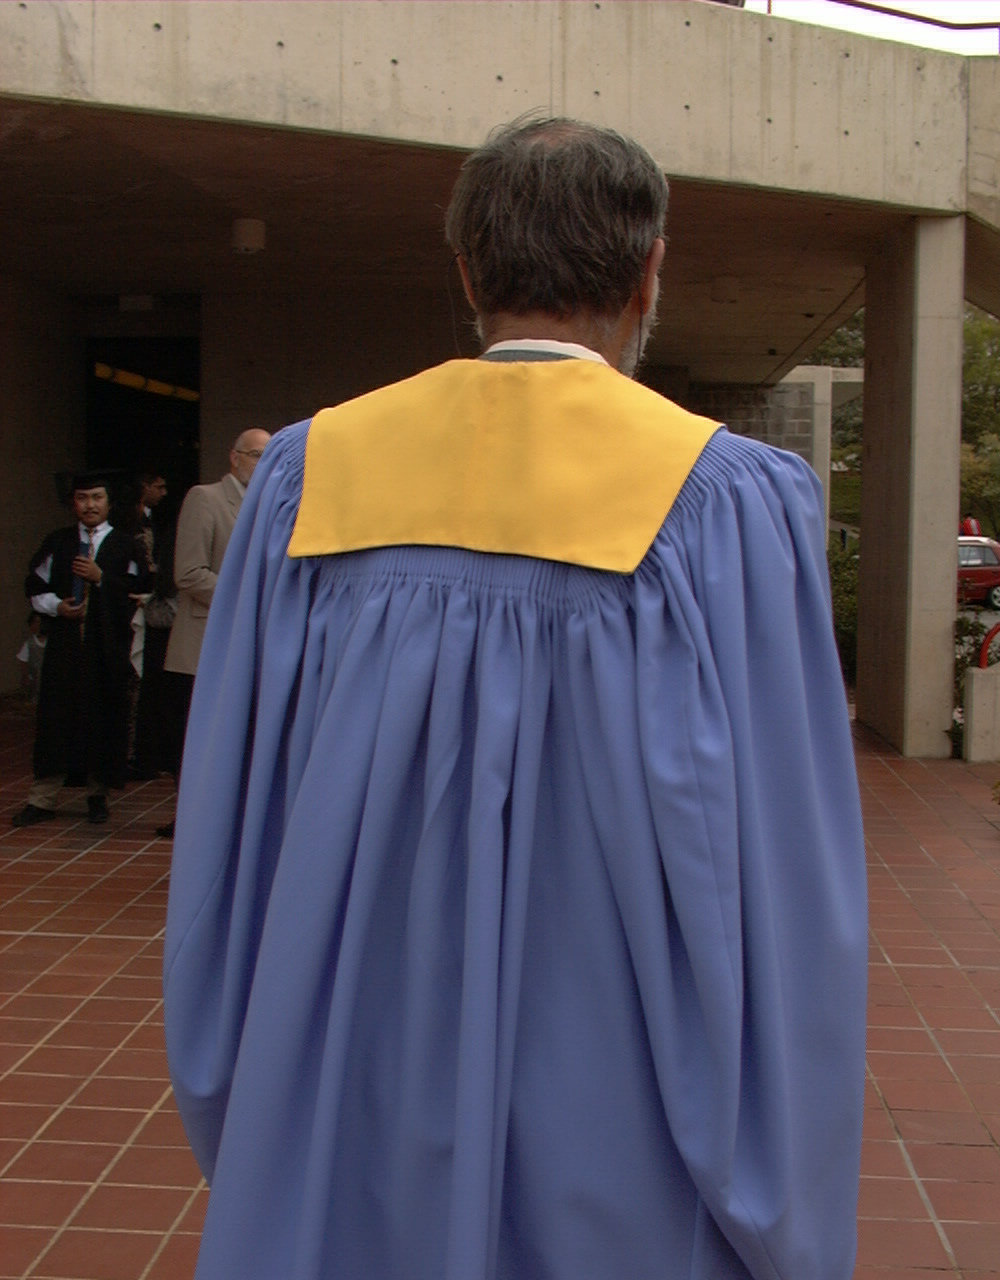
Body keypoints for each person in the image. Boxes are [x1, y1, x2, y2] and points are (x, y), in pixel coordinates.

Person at [164, 118, 867, 1280]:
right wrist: (777, 1185)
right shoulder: (728, 504)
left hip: (355, 1082)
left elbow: (231, 839)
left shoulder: (306, 478)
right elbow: (781, 878)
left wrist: (256, 1096)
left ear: (467, 273)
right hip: (623, 1109)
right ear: (648, 274)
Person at [156, 429, 271, 837]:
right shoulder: (205, 499)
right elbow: (189, 573)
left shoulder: (273, 505)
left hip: (252, 640)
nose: (262, 464)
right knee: (198, 736)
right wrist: (250, 594)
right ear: (234, 457)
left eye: (269, 456)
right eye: (256, 454)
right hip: (204, 642)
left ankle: (230, 817)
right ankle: (193, 820)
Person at [13, 472, 144, 826]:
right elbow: (34, 584)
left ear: (109, 502)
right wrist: (57, 607)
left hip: (107, 649)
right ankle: (42, 798)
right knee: (56, 719)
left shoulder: (126, 545)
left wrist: (102, 579)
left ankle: (97, 795)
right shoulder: (58, 542)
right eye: (83, 498)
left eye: (97, 498)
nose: (90, 505)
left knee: (103, 717)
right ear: (74, 503)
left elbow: (138, 589)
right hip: (65, 648)